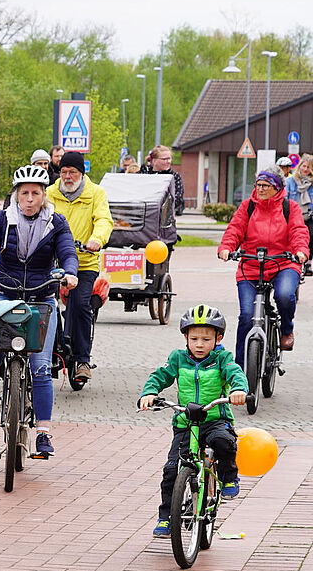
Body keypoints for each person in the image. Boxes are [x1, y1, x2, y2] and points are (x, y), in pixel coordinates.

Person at [0, 164, 79, 459]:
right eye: (24, 193)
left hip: (42, 297)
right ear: (16, 195)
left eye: (36, 193)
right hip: (5, 290)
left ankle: (43, 433)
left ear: (44, 195)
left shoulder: (57, 222)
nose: (30, 199)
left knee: (40, 367)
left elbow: (67, 251)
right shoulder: (4, 219)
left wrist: (69, 271)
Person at [139, 305, 247, 537]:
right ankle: (166, 517)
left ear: (218, 338)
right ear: (185, 337)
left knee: (223, 442)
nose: (200, 344)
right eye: (194, 338)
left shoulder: (222, 358)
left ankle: (229, 477)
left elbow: (235, 373)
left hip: (215, 419)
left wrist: (238, 389)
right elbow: (160, 375)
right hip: (186, 423)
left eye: (206, 339)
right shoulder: (178, 358)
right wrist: (149, 392)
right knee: (171, 471)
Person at [217, 170, 310, 354]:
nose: (260, 189)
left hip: (283, 263)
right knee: (246, 317)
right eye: (258, 185)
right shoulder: (247, 207)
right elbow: (235, 229)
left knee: (284, 295)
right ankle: (240, 371)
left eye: (265, 185)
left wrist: (300, 251)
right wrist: (226, 247)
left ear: (277, 188)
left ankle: (286, 330)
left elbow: (298, 231)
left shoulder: (289, 207)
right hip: (251, 265)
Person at [46, 150, 113, 384]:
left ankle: (82, 359)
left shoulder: (95, 193)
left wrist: (97, 239)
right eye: (63, 172)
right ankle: (46, 352)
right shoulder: (50, 193)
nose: (67, 176)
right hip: (52, 262)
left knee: (80, 305)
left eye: (72, 172)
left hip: (84, 261)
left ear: (81, 173)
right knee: (44, 304)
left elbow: (104, 219)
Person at [139, 145, 185, 215]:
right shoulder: (143, 175)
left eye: (169, 159)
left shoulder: (174, 177)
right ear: (154, 161)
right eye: (164, 159)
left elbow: (177, 198)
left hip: (165, 217)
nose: (168, 162)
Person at [285, 155, 313, 244]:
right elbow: (284, 200)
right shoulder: (290, 181)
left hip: (309, 219)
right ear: (299, 166)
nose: (305, 169)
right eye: (304, 166)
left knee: (309, 246)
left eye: (309, 167)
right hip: (293, 219)